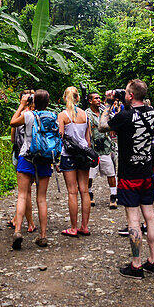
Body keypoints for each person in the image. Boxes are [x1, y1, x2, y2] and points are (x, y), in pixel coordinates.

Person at [102, 79, 154, 279]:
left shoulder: (124, 115)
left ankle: (136, 264)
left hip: (129, 173)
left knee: (133, 219)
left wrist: (108, 103)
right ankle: (153, 261)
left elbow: (103, 126)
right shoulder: (151, 112)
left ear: (130, 96)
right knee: (150, 215)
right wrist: (125, 97)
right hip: (147, 170)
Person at [9, 89, 54, 248]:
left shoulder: (28, 115)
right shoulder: (52, 116)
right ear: (47, 103)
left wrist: (21, 105)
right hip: (44, 159)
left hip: (26, 156)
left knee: (22, 195)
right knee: (41, 198)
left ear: (33, 102)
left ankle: (18, 231)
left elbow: (13, 122)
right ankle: (42, 236)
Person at [57, 86, 92, 237]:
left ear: (65, 98)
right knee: (84, 191)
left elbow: (60, 138)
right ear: (78, 98)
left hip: (69, 155)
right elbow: (88, 140)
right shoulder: (85, 115)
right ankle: (84, 226)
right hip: (84, 155)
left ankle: (73, 227)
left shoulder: (63, 116)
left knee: (72, 192)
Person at [9, 89, 36, 233]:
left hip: (23, 155)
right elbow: (13, 136)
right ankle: (21, 220)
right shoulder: (36, 114)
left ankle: (27, 222)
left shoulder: (23, 114)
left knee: (25, 192)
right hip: (28, 155)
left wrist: (20, 107)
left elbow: (13, 133)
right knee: (26, 191)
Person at [86, 92, 117, 210]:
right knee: (90, 174)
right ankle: (90, 194)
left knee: (111, 172)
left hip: (106, 146)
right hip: (93, 148)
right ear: (90, 101)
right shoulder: (86, 113)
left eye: (99, 98)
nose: (99, 100)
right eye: (96, 98)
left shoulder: (105, 112)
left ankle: (113, 195)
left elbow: (114, 121)